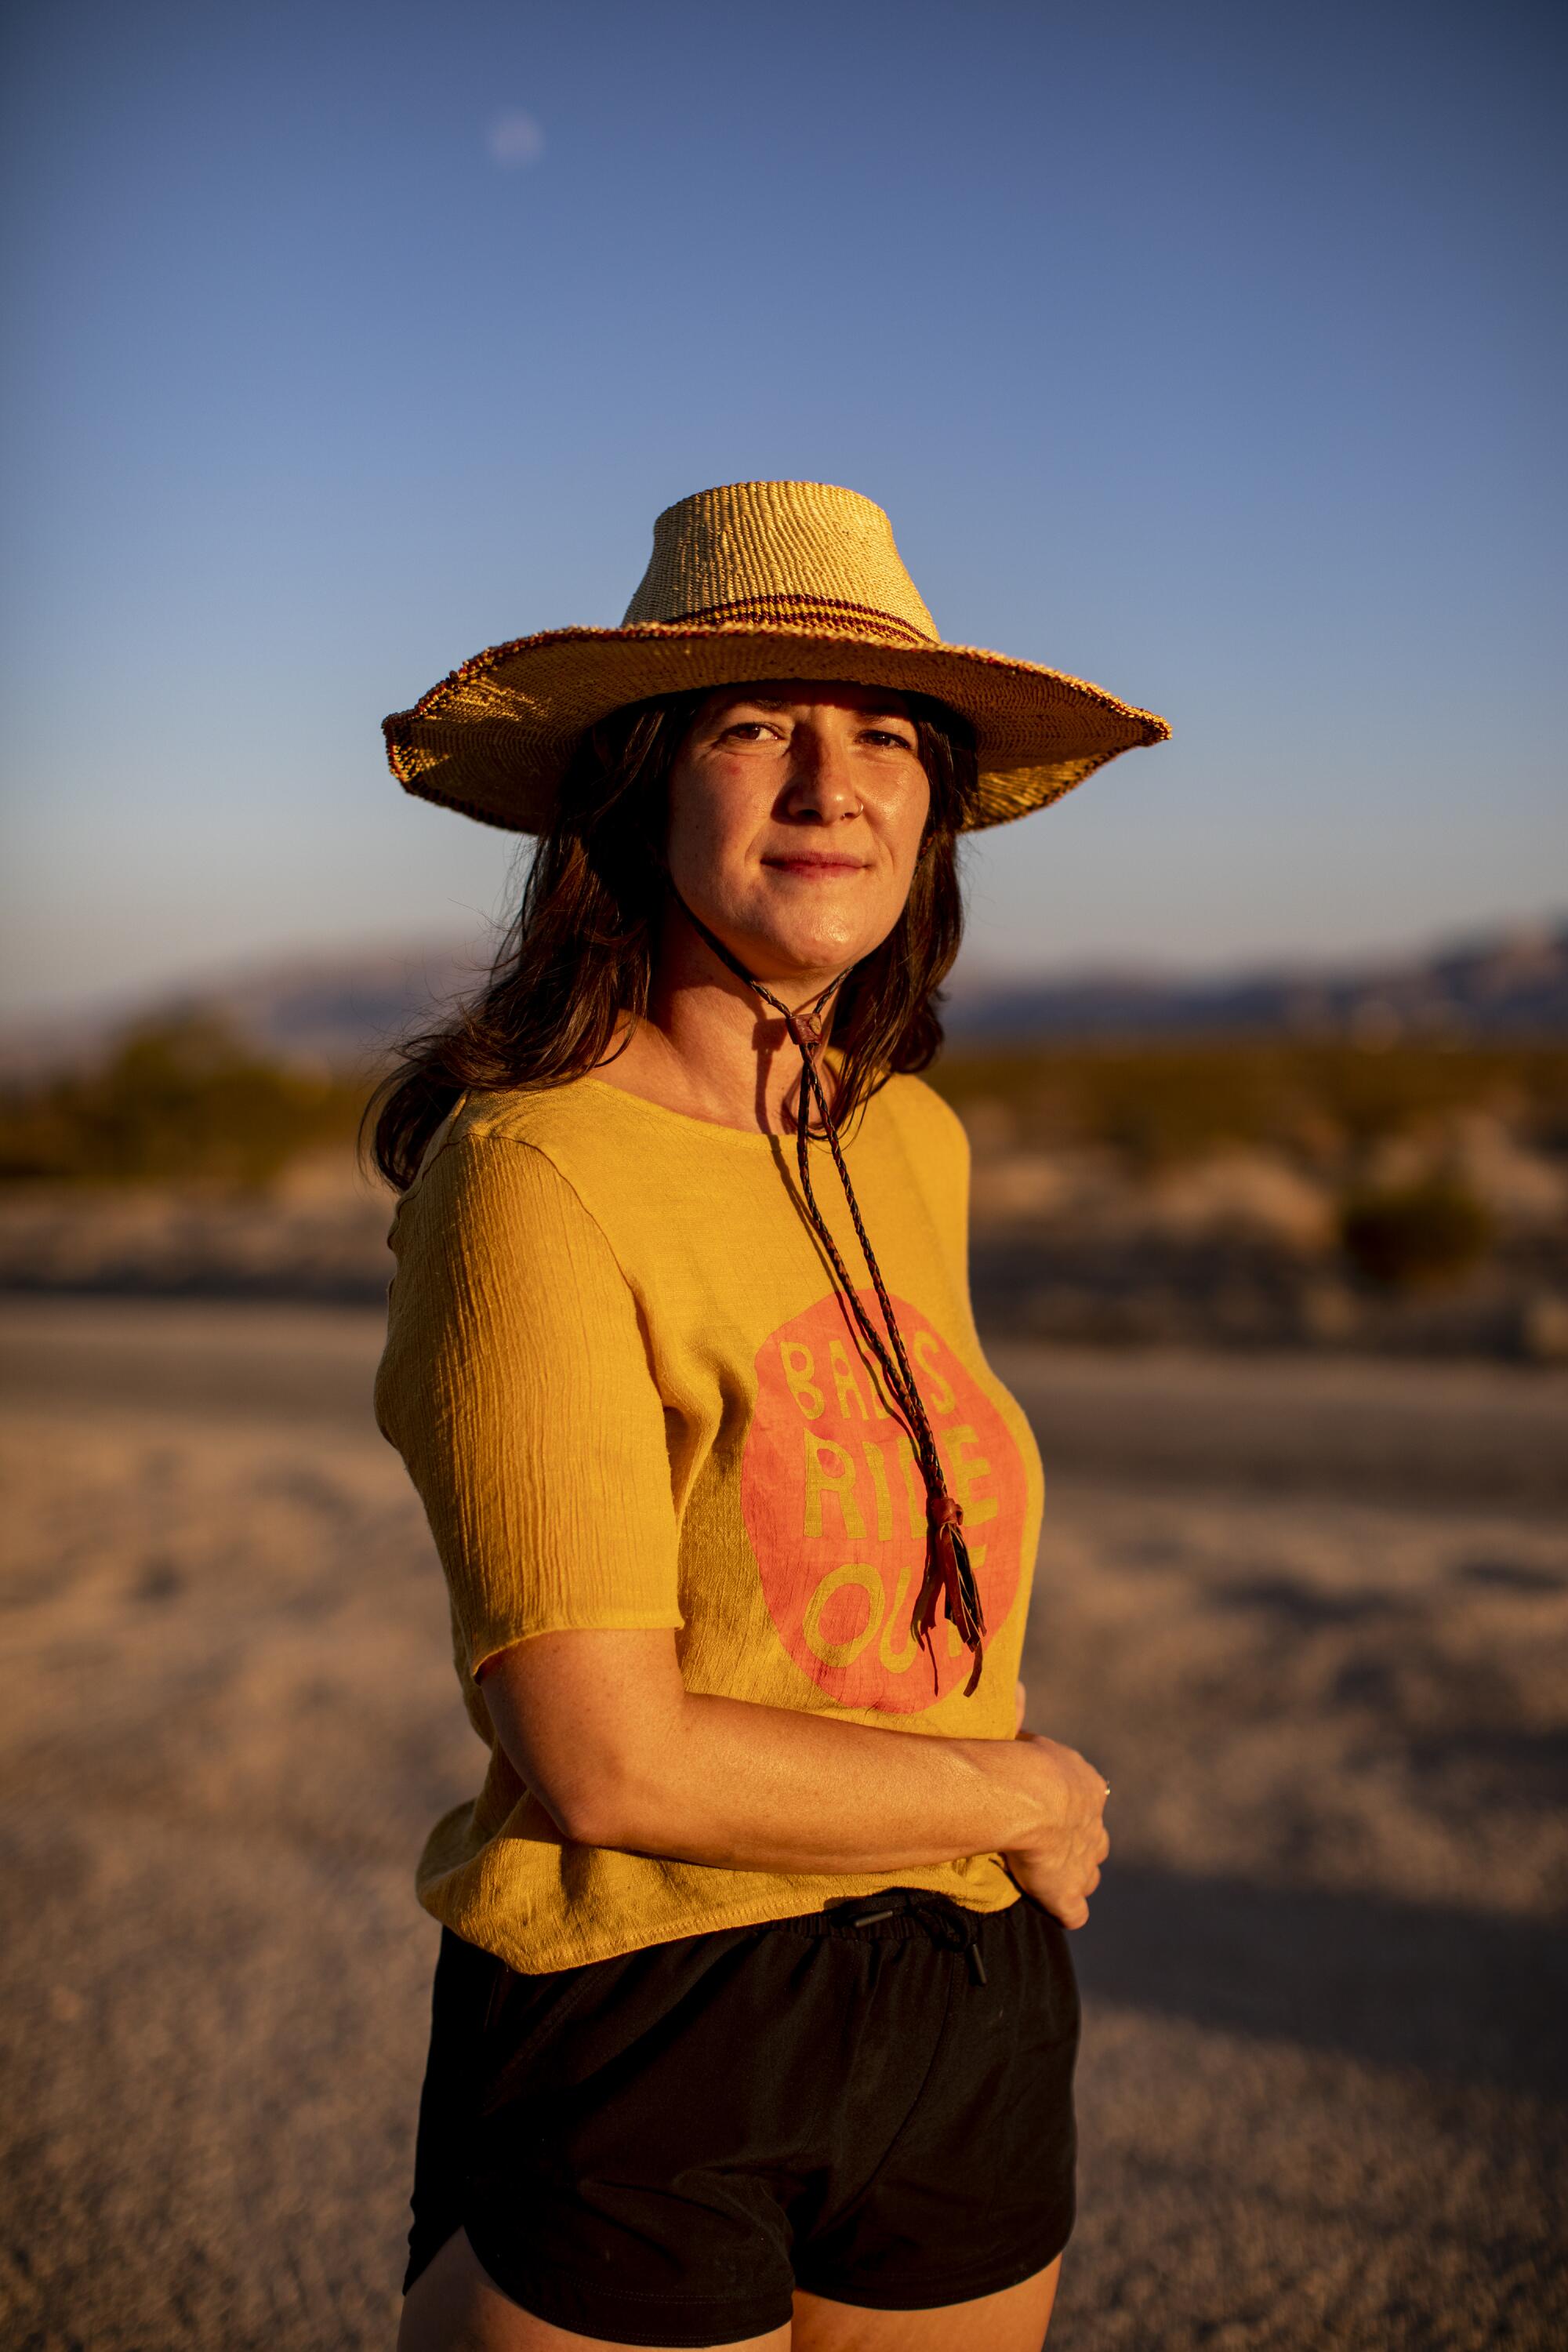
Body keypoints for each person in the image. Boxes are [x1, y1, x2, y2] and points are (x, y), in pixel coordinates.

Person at [371, 479, 1168, 2352]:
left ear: (936, 806)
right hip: (662, 1989)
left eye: (888, 734)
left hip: (964, 1988)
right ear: (640, 790)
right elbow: (608, 1760)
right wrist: (1022, 1788)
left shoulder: (910, 1140)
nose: (836, 784)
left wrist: (980, 1822)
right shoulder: (529, 1172)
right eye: (756, 728)